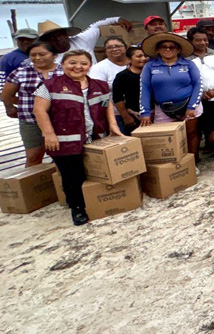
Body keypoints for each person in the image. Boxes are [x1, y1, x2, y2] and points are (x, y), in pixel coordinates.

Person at [33, 50, 124, 226]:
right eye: (72, 62)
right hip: (65, 141)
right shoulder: (49, 85)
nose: (78, 67)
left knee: (96, 172)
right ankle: (77, 208)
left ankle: (99, 201)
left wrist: (113, 126)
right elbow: (39, 110)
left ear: (90, 66)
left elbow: (107, 106)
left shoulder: (100, 85)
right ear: (62, 65)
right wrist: (49, 134)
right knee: (72, 176)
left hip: (96, 138)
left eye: (83, 63)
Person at [139, 32, 202, 156]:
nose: (168, 49)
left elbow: (198, 84)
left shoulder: (189, 64)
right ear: (158, 50)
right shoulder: (150, 66)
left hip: (189, 105)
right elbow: (145, 89)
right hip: (163, 108)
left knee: (191, 134)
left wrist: (192, 106)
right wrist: (145, 112)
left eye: (172, 47)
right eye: (164, 47)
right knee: (166, 138)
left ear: (178, 49)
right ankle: (171, 167)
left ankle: (192, 162)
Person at [1, 41, 63, 166]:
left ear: (54, 55)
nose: (37, 58)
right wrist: (26, 103)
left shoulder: (65, 71)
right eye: (33, 55)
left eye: (42, 54)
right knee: (34, 156)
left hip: (62, 120)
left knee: (62, 154)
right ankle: (32, 184)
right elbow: (6, 95)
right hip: (30, 120)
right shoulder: (20, 72)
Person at [187, 27, 214, 151]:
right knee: (197, 128)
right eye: (198, 40)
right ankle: (196, 156)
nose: (202, 43)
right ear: (190, 41)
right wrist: (199, 93)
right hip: (196, 99)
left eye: (205, 39)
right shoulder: (186, 58)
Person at [38, 17, 133, 62]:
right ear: (47, 42)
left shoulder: (82, 40)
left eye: (59, 35)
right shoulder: (49, 59)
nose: (57, 39)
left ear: (66, 34)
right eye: (51, 38)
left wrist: (117, 20)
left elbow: (96, 26)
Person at [112, 46, 147, 134]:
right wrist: (126, 117)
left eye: (145, 56)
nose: (143, 59)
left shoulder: (151, 74)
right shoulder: (122, 76)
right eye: (139, 56)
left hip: (153, 115)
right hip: (133, 116)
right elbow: (117, 98)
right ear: (129, 59)